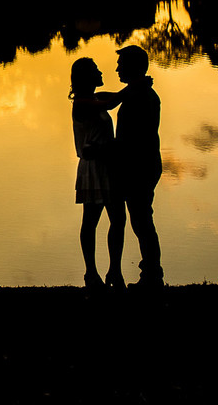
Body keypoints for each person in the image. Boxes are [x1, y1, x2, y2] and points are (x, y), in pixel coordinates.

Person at [69, 57, 126, 291]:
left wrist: (131, 88)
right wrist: (136, 86)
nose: (101, 72)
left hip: (108, 166)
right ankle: (91, 273)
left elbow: (110, 98)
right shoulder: (83, 103)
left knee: (118, 219)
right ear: (86, 77)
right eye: (95, 70)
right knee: (90, 221)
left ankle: (115, 270)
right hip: (94, 167)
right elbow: (112, 103)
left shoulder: (95, 97)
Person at [111, 45, 164, 288]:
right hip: (143, 166)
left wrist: (103, 149)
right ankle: (151, 274)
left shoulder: (139, 96)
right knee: (141, 221)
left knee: (142, 221)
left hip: (140, 168)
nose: (117, 68)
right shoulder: (137, 92)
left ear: (132, 67)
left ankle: (152, 276)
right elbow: (109, 100)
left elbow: (131, 140)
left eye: (121, 65)